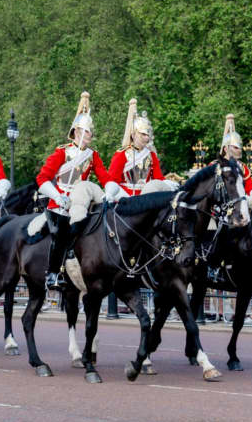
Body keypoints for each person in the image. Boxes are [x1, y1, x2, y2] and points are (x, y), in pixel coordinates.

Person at [36, 92, 113, 290]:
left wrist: (111, 191)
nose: (90, 136)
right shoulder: (62, 152)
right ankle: (53, 274)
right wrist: (57, 196)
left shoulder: (92, 155)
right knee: (61, 233)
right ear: (77, 132)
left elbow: (104, 177)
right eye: (87, 132)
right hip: (59, 202)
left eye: (91, 132)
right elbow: (42, 178)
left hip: (81, 203)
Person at [108, 98, 176, 197]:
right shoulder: (122, 154)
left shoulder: (151, 155)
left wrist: (167, 183)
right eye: (143, 134)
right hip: (125, 197)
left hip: (147, 196)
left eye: (147, 135)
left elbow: (158, 178)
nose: (146, 138)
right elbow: (113, 180)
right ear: (133, 134)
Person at [219, 114, 252, 205]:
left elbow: (250, 187)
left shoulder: (242, 167)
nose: (240, 150)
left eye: (240, 147)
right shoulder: (215, 165)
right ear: (225, 149)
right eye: (236, 148)